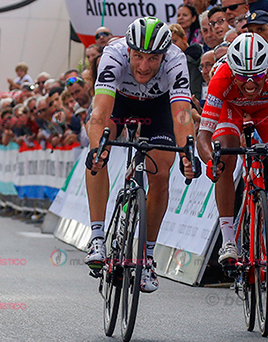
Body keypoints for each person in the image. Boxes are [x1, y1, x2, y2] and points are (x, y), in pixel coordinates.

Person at [84, 17, 199, 293]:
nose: (144, 66)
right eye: (138, 57)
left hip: (158, 109)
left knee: (161, 172)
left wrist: (188, 152)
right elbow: (99, 113)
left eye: (152, 59)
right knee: (98, 155)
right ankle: (97, 236)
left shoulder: (176, 59)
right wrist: (99, 146)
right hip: (119, 103)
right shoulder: (112, 56)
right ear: (128, 51)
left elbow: (182, 113)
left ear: (164, 54)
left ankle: (146, 257)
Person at [197, 33, 268, 280]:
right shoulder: (221, 78)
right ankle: (229, 241)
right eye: (242, 78)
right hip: (231, 110)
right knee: (224, 158)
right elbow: (203, 137)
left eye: (258, 77)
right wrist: (211, 161)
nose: (250, 85)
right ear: (232, 71)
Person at [169, 23, 203, 101]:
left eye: (174, 41)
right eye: (169, 43)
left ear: (184, 39)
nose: (173, 46)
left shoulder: (198, 54)